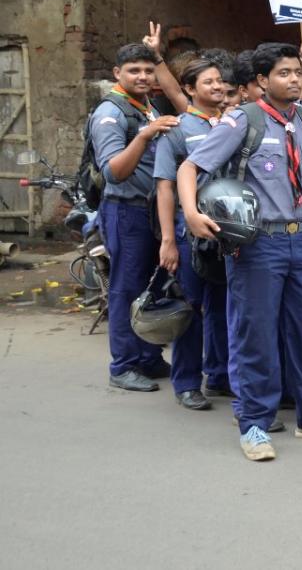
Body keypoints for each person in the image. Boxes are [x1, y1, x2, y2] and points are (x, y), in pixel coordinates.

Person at [180, 43, 302, 461]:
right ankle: (254, 424)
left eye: (297, 72)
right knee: (255, 332)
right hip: (260, 243)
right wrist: (190, 212)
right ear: (261, 80)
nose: (294, 79)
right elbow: (190, 167)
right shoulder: (245, 120)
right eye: (283, 73)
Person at [91, 43, 179, 392]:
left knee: (149, 285)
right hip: (125, 210)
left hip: (150, 210)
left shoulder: (145, 104)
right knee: (127, 288)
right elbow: (114, 172)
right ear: (118, 74)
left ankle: (148, 357)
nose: (143, 76)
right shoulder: (110, 113)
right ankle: (123, 365)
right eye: (134, 71)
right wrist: (143, 136)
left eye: (147, 70)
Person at [154, 58, 230, 411]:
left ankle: (219, 375)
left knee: (224, 308)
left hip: (230, 235)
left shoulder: (235, 123)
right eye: (209, 82)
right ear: (189, 89)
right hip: (192, 236)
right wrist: (170, 239)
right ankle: (186, 382)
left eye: (220, 81)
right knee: (191, 309)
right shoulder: (178, 129)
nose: (217, 87)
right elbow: (166, 188)